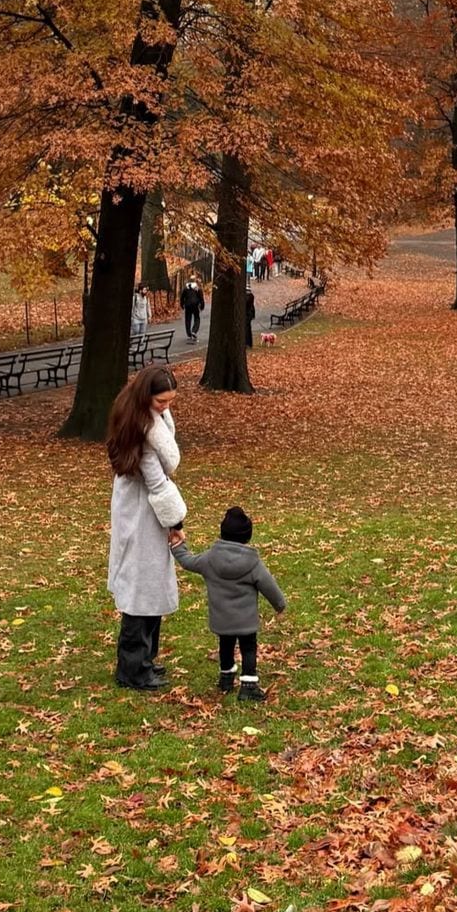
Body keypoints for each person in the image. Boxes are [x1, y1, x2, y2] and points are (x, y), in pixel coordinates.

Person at [106, 366, 186, 692]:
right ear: (147, 398)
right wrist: (176, 522)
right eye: (161, 402)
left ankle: (145, 659)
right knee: (141, 590)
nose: (166, 407)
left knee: (149, 585)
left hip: (143, 511)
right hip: (142, 514)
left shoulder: (146, 420)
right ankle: (133, 668)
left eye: (170, 402)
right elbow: (156, 483)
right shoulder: (142, 431)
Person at [171, 507, 286, 702]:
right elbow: (269, 586)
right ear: (247, 537)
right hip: (246, 621)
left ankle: (226, 679)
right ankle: (248, 685)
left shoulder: (209, 559)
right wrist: (279, 604)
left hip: (222, 619)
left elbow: (188, 561)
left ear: (222, 533)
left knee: (225, 646)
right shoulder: (253, 563)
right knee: (248, 649)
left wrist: (177, 546)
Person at [180, 274, 204, 341]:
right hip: (195, 305)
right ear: (195, 281)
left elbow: (182, 297)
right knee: (197, 318)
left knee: (188, 319)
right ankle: (194, 331)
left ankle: (189, 334)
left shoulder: (186, 288)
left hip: (187, 305)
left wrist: (182, 305)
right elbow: (201, 298)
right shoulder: (197, 288)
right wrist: (202, 306)